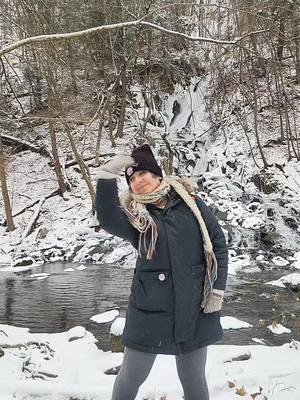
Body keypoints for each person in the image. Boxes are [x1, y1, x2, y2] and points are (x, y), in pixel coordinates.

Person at [95, 144, 228, 400]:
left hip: (194, 307)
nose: (138, 181)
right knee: (131, 377)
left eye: (142, 174)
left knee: (193, 379)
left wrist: (217, 290)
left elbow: (218, 245)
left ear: (157, 175)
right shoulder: (136, 218)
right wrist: (107, 176)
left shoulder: (192, 203)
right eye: (132, 179)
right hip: (149, 312)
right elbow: (109, 219)